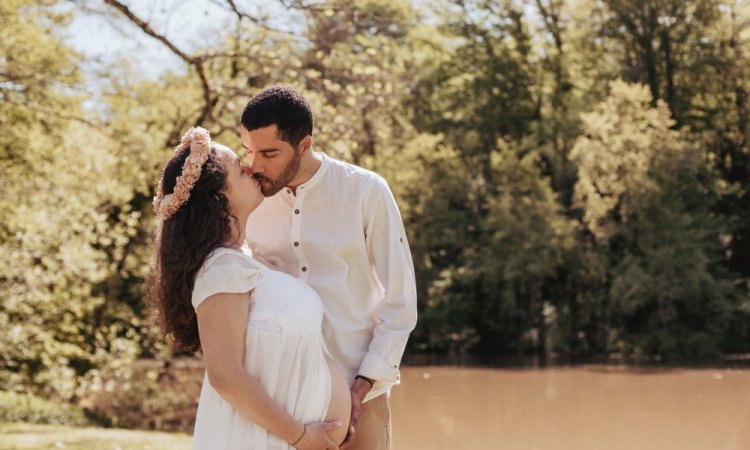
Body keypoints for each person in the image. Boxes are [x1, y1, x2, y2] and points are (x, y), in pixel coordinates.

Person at [149, 127, 351, 450]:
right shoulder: (221, 269)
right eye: (237, 168)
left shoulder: (241, 261)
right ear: (219, 198)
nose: (250, 168)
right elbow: (225, 375)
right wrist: (301, 435)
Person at [240, 86, 418, 450]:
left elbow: (400, 301)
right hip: (282, 395)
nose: (256, 165)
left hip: (360, 390)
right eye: (249, 151)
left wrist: (363, 384)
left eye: (269, 153)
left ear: (304, 145)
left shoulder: (366, 191)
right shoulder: (247, 200)